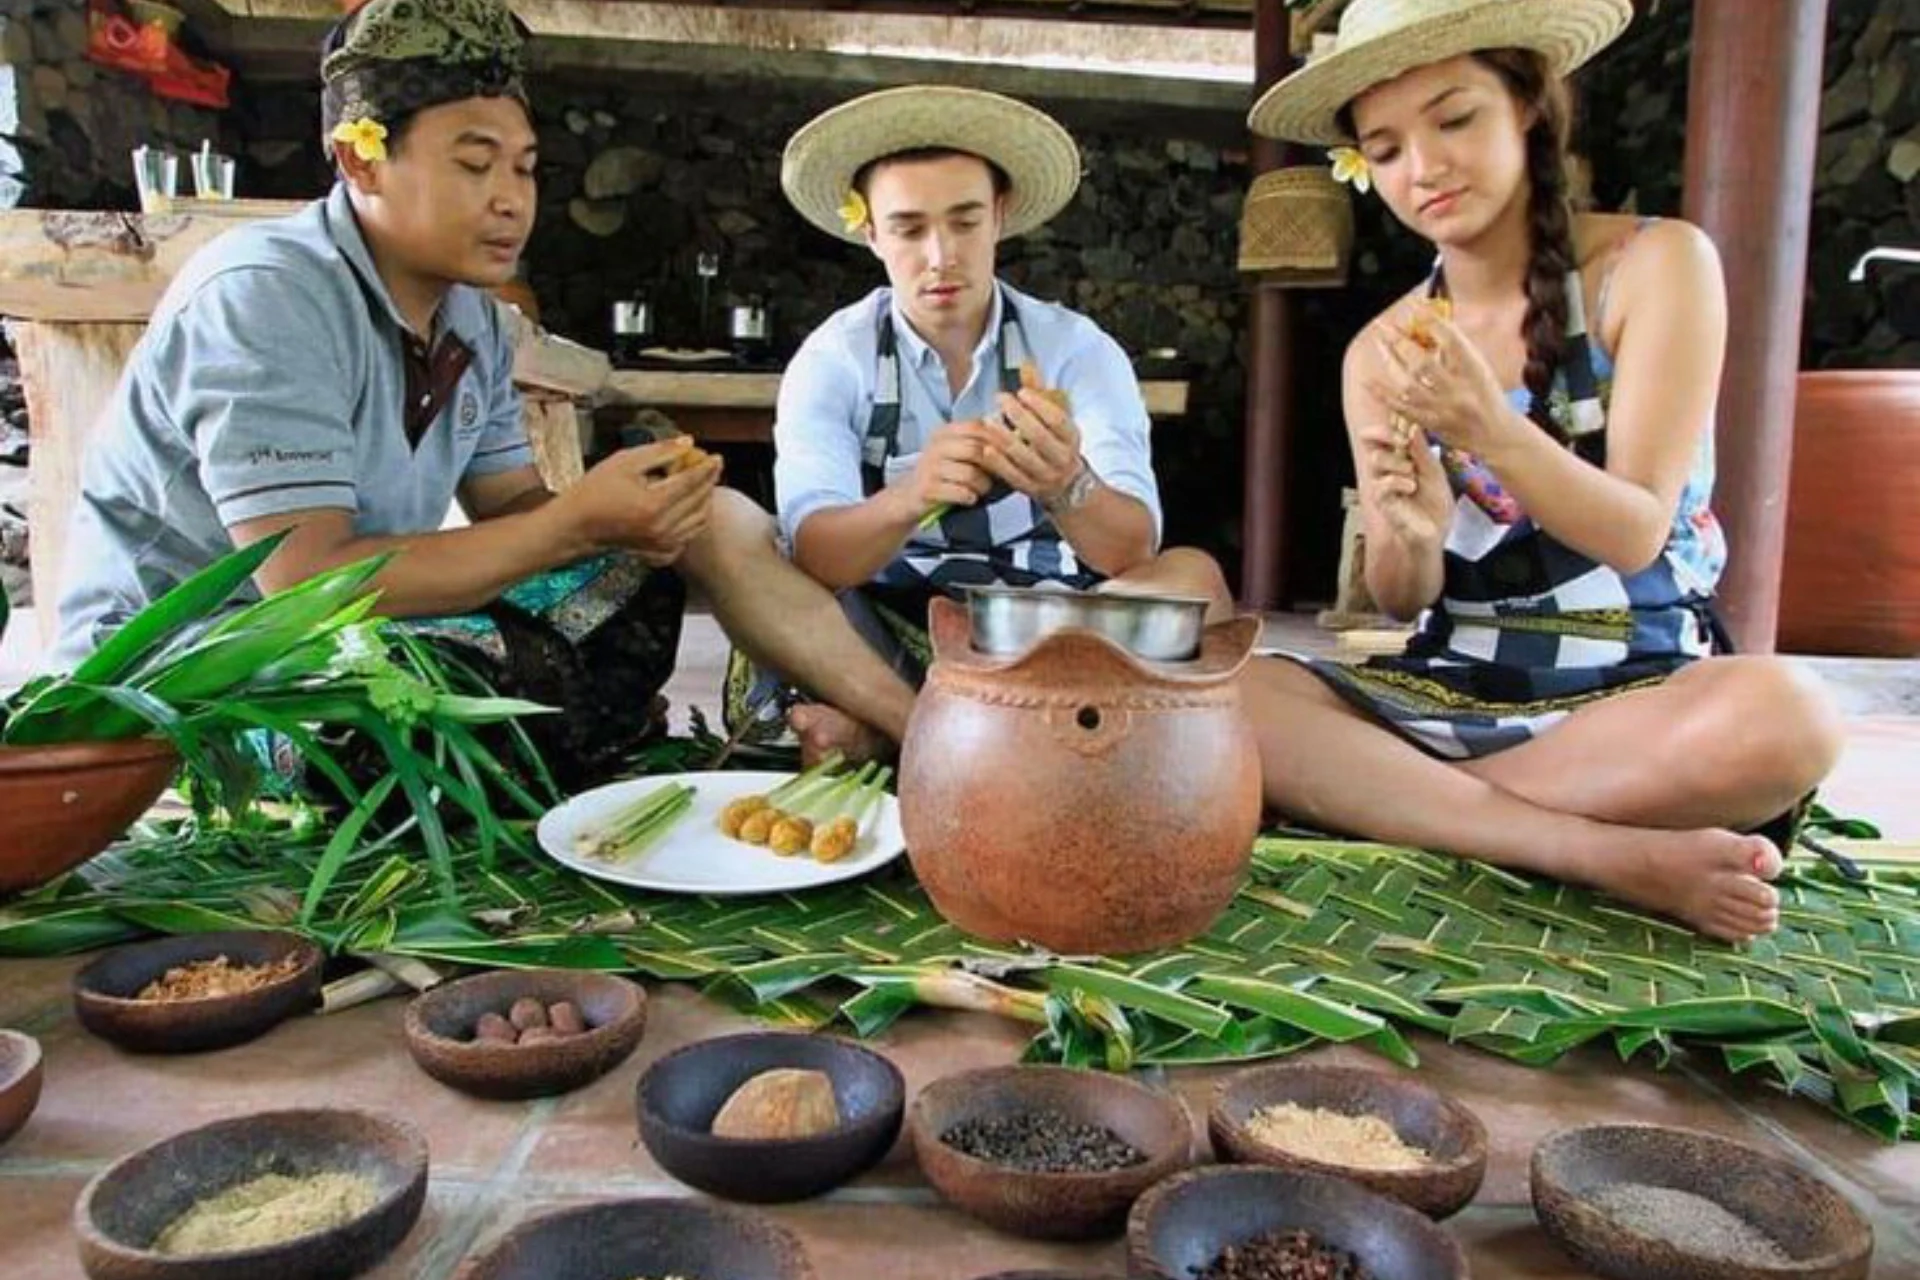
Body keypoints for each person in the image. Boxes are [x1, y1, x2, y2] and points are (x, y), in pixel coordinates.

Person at [51, 0, 915, 788]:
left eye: (526, 169)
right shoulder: (266, 294)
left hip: (348, 637)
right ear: (362, 160)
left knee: (702, 530)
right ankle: (518, 759)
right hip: (198, 685)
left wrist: (632, 516)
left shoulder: (475, 321)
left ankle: (919, 733)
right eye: (474, 165)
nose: (511, 201)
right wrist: (577, 523)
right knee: (443, 688)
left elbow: (513, 510)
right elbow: (305, 580)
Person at [1238, 0, 1842, 942]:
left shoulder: (1654, 265)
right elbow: (1404, 601)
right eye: (1387, 149)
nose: (1424, 169)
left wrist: (1491, 428)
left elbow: (1637, 527)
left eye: (1455, 118)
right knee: (1231, 692)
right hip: (1457, 686)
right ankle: (1599, 852)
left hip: (1637, 695)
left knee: (1790, 713)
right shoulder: (1380, 351)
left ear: (1526, 104)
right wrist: (1410, 534)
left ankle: (1405, 812)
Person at [735, 85, 1231, 756]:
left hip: (1049, 632)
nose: (941, 256)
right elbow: (818, 554)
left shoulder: (1076, 349)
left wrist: (1066, 485)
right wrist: (911, 498)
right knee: (726, 531)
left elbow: (1133, 550)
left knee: (1191, 578)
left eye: (964, 222)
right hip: (881, 629)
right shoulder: (834, 357)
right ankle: (938, 733)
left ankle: (896, 740)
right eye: (910, 228)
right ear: (869, 232)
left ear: (1000, 215)